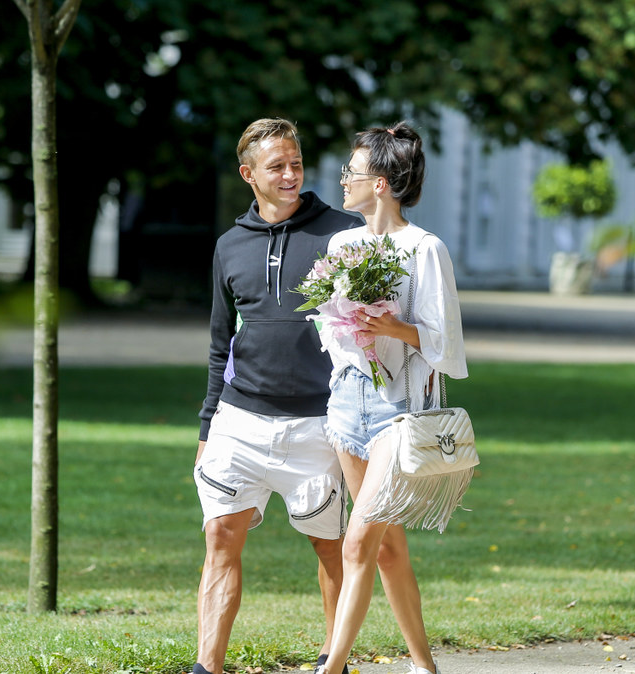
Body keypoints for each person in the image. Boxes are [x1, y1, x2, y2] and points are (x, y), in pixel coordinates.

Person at [194, 118, 360, 674]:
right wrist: (205, 428)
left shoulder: (343, 233)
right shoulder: (229, 246)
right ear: (249, 175)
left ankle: (330, 662)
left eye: (296, 163)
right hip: (239, 420)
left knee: (331, 547)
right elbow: (221, 347)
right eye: (276, 167)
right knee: (221, 536)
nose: (290, 175)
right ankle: (206, 668)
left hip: (319, 424)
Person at [315, 122, 468, 674]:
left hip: (400, 412)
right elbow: (329, 331)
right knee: (386, 547)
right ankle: (424, 667)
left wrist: (393, 327)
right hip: (348, 403)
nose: (343, 181)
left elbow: (446, 345)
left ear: (380, 183)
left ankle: (331, 667)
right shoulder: (342, 244)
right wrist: (347, 324)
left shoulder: (424, 249)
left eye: (351, 173)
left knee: (358, 544)